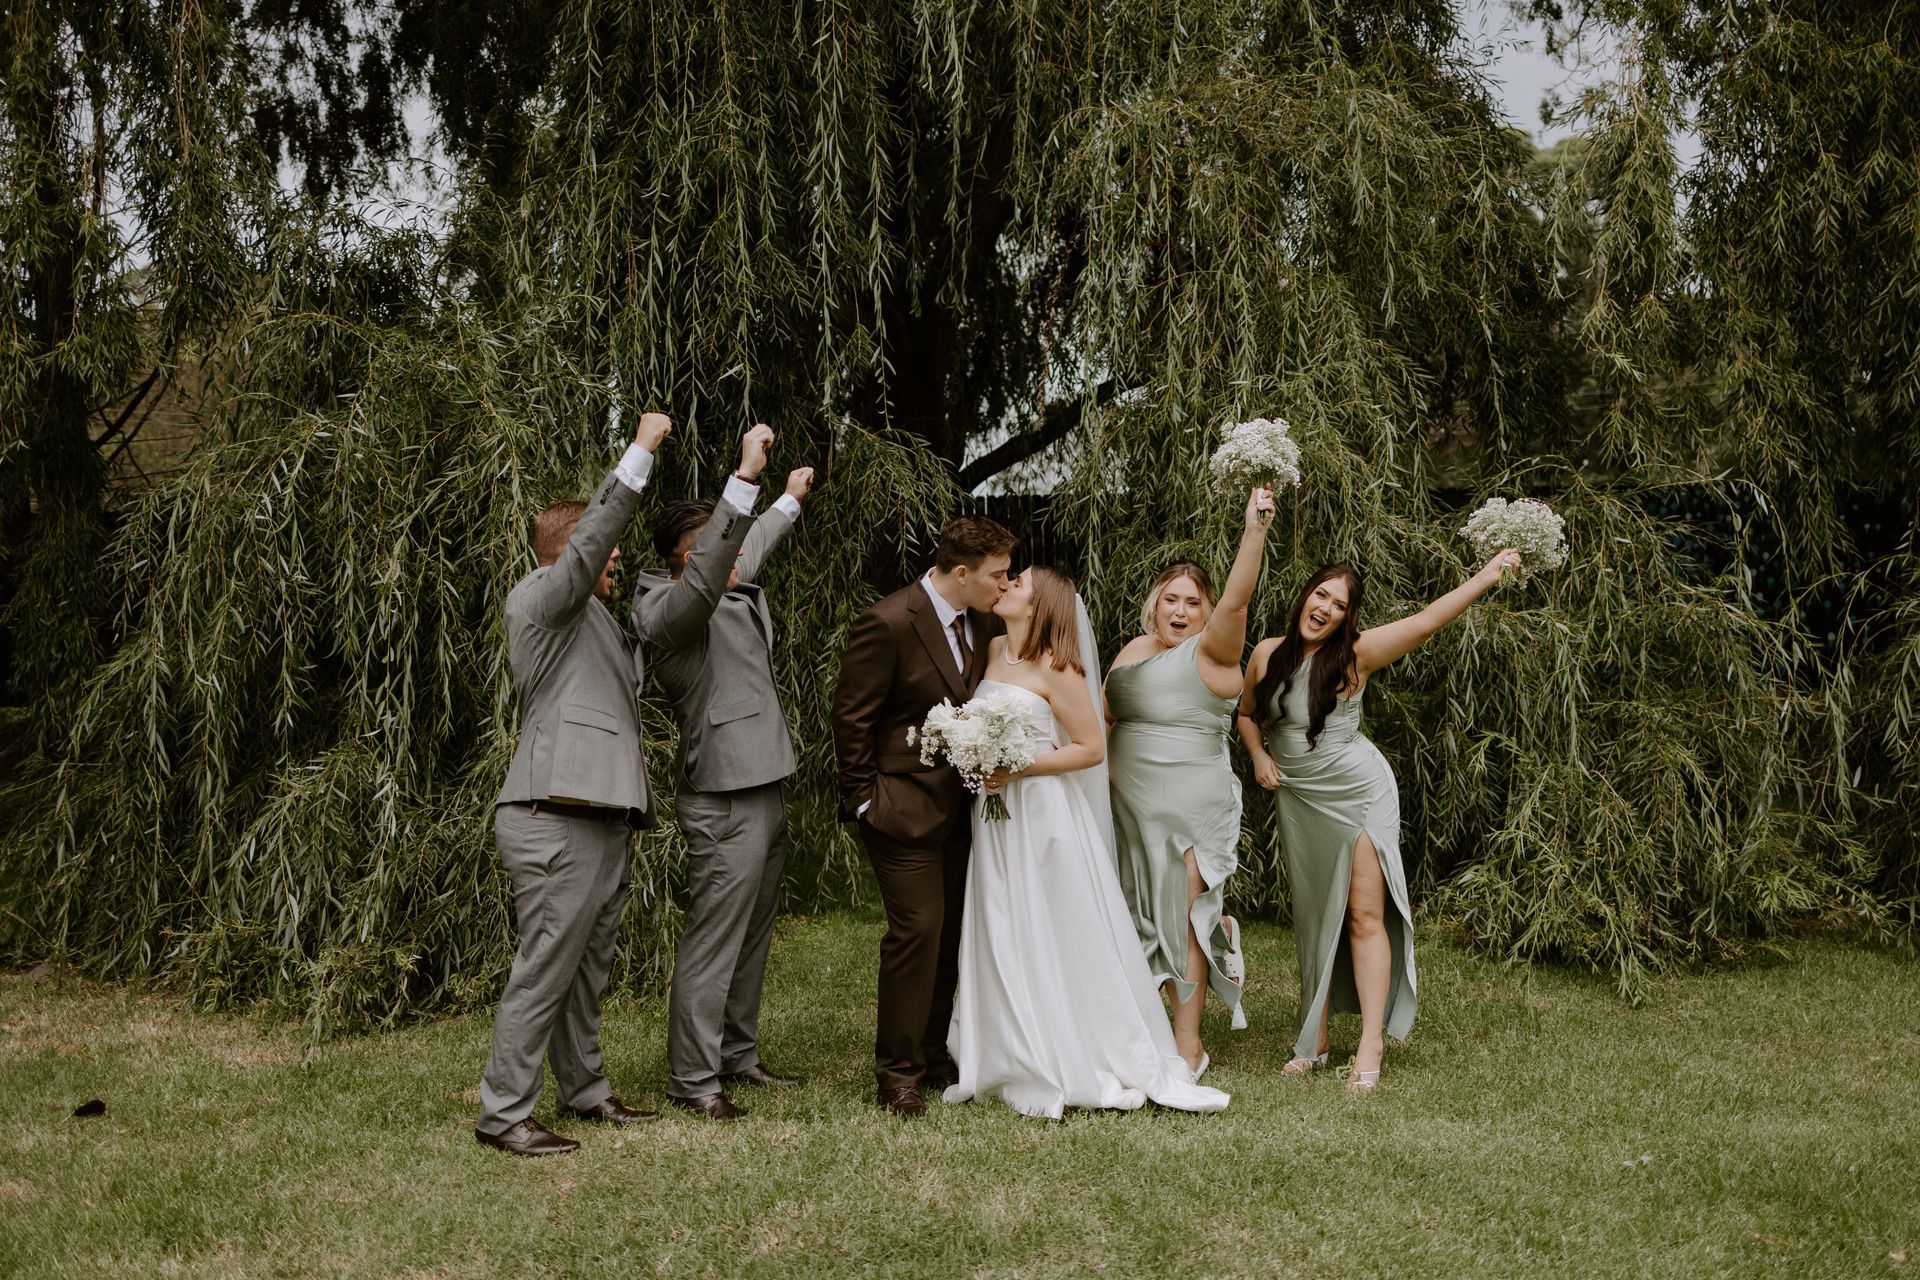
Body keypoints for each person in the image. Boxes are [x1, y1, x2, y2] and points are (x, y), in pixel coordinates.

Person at [942, 567, 1231, 1119]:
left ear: (1042, 603)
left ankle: (1067, 1046)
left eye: (1018, 583)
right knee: (999, 917)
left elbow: (1091, 748)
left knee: (1051, 921)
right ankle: (1005, 1043)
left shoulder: (1059, 666)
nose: (1006, 586)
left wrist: (1019, 765)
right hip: (996, 814)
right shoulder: (993, 647)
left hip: (1043, 811)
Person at [1238, 549, 1521, 1092]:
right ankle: (1314, 1039)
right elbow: (1247, 714)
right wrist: (1258, 755)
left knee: (1363, 915)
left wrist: (1484, 576)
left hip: (1358, 793)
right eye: (1320, 593)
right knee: (1315, 915)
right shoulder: (1267, 653)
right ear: (1305, 594)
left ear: (1349, 617)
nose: (1324, 608)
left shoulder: (1355, 657)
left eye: (1339, 605)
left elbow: (1426, 621)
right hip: (1300, 799)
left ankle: (1370, 1042)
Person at [475, 410, 673, 1156]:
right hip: (553, 812)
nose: (615, 563)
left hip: (601, 815)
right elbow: (594, 540)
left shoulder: (595, 621)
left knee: (586, 968)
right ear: (575, 553)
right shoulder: (543, 600)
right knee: (546, 966)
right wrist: (640, 452)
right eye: (605, 552)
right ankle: (502, 1115)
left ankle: (584, 1090)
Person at [633, 424, 813, 1122]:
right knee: (714, 940)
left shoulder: (727, 578)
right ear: (691, 557)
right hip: (723, 799)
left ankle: (737, 1055)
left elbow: (749, 547)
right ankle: (694, 1080)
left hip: (764, 785)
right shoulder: (667, 611)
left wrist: (789, 499)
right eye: (721, 548)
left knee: (754, 935)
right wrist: (744, 472)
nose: (739, 556)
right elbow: (718, 568)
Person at [831, 516, 1016, 1117]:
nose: (1004, 585)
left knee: (951, 935)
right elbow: (852, 719)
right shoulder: (887, 622)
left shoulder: (983, 619)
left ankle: (936, 1055)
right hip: (898, 809)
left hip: (963, 810)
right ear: (961, 573)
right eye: (997, 575)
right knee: (917, 933)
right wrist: (864, 802)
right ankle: (898, 1075)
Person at [1106, 487, 1276, 1079]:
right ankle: (1146, 1025)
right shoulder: (1133, 649)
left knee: (1180, 922)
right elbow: (1103, 719)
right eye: (1170, 600)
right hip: (1125, 808)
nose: (1180, 612)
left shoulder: (1215, 654)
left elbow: (1237, 602)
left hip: (1187, 805)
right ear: (1154, 605)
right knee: (1134, 915)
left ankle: (1188, 1050)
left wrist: (1253, 532)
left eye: (1193, 603)